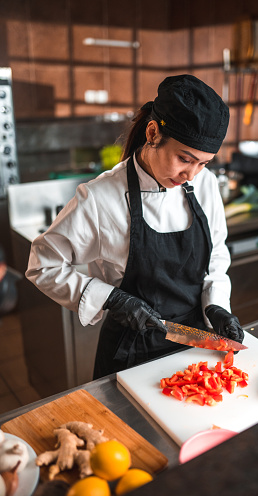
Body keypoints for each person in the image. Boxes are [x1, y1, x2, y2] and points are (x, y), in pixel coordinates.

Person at [26, 74, 244, 379]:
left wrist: (217, 305)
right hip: (130, 356)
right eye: (185, 159)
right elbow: (43, 266)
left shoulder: (204, 185)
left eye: (203, 163)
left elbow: (216, 257)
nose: (191, 175)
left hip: (193, 348)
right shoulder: (101, 198)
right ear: (152, 132)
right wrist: (112, 299)